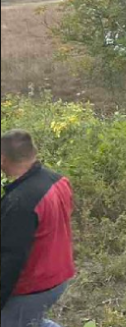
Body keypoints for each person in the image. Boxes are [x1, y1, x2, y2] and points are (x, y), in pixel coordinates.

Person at [1, 130, 75, 327]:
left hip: (34, 286)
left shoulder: (21, 201)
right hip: (60, 275)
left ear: (3, 159)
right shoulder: (58, 180)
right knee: (30, 320)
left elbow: (11, 259)